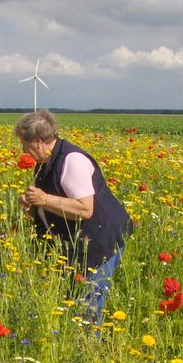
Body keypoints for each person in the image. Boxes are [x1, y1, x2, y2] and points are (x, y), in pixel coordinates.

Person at [15, 109, 133, 331]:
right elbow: (53, 194)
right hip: (75, 243)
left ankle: (88, 352)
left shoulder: (72, 160)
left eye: (24, 144)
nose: (23, 150)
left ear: (38, 142)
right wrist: (33, 201)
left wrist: (45, 199)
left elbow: (85, 209)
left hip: (99, 242)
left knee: (88, 305)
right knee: (73, 298)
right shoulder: (47, 159)